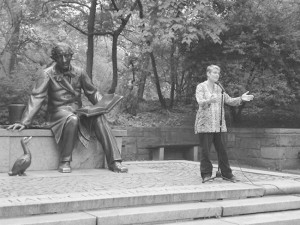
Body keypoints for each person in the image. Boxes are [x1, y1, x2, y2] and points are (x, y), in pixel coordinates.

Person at [7, 42, 128, 173]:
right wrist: (24, 122)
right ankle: (65, 160)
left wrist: (105, 105)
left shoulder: (80, 72)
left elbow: (93, 93)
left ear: (71, 56)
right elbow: (37, 97)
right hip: (57, 113)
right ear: (54, 58)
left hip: (77, 111)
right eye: (60, 56)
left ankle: (115, 161)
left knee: (98, 117)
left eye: (67, 56)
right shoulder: (47, 73)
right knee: (72, 119)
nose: (64, 60)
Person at [195, 65, 254, 182]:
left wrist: (241, 98)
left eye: (218, 73)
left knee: (223, 150)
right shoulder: (201, 87)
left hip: (219, 126)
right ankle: (206, 174)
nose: (217, 75)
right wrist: (209, 101)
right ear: (208, 74)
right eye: (214, 72)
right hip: (205, 125)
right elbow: (200, 101)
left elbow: (229, 100)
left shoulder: (219, 88)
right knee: (205, 151)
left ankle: (227, 174)